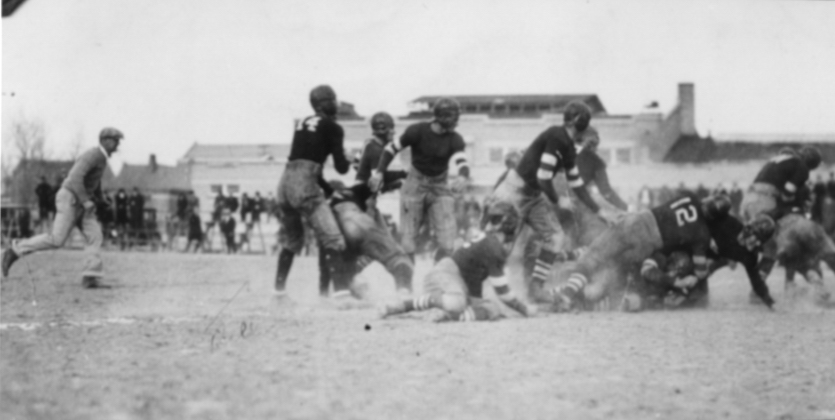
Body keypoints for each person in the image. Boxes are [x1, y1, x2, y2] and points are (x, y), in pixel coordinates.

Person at [485, 101, 611, 297]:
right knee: (501, 246)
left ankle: (536, 289)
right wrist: (558, 199)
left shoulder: (567, 145)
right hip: (514, 192)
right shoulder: (557, 137)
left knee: (555, 237)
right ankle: (474, 284)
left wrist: (599, 211)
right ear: (578, 121)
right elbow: (543, 177)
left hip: (533, 195)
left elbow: (577, 184)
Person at [548, 192, 727, 311]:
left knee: (594, 257)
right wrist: (692, 276)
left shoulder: (690, 197)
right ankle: (576, 293)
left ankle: (567, 294)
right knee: (613, 267)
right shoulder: (701, 234)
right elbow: (701, 270)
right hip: (648, 244)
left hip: (639, 221)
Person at [3, 127, 124, 288]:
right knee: (57, 239)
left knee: (95, 235)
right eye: (116, 140)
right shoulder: (94, 155)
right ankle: (15, 250)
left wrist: (100, 198)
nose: (118, 144)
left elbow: (94, 180)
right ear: (105, 141)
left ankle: (90, 276)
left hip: (81, 202)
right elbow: (75, 178)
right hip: (70, 198)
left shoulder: (101, 158)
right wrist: (85, 200)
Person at [379, 202, 535, 322]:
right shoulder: (493, 246)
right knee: (457, 303)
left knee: (492, 309)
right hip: (444, 275)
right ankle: (403, 305)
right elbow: (503, 292)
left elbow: (473, 277)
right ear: (509, 225)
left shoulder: (489, 242)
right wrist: (524, 309)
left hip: (456, 281)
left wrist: (477, 303)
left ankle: (446, 316)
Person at [274, 84, 353, 304]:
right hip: (304, 184)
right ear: (323, 103)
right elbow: (342, 168)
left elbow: (304, 162)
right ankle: (341, 295)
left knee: (292, 241)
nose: (335, 104)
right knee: (333, 238)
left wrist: (329, 190)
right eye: (332, 100)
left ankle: (278, 293)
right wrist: (351, 160)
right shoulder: (333, 127)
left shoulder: (302, 124)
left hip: (285, 184)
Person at [368, 99, 469, 264]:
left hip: (440, 186)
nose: (456, 120)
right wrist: (379, 172)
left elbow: (462, 160)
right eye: (453, 116)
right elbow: (391, 149)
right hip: (415, 185)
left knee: (448, 241)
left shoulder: (455, 138)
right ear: (441, 116)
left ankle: (438, 275)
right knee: (408, 238)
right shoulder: (417, 131)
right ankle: (407, 283)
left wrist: (463, 176)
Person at [740, 146, 821, 222]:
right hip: (764, 200)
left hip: (748, 198)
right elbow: (787, 195)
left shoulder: (783, 159)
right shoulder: (802, 166)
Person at [354, 112, 407, 224]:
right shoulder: (377, 150)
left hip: (359, 194)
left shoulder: (368, 143)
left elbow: (355, 164)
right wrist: (402, 175)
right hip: (366, 200)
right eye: (391, 128)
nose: (394, 132)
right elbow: (377, 182)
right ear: (384, 131)